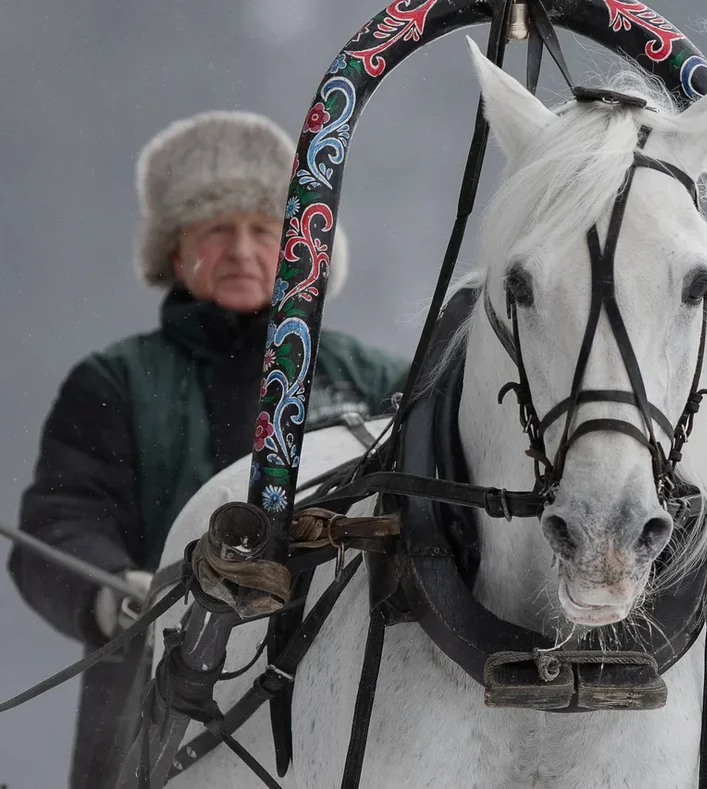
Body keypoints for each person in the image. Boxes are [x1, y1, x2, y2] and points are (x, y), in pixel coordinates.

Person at [6, 110, 409, 789]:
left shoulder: (379, 382)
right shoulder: (114, 382)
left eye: (264, 229)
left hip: (333, 708)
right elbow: (58, 524)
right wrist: (114, 595)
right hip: (154, 704)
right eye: (217, 229)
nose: (244, 250)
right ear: (174, 251)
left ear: (303, 249)